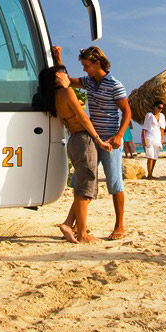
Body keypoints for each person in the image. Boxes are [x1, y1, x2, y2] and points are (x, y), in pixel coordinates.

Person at [52, 45, 132, 240]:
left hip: (110, 140)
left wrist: (120, 135)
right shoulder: (89, 82)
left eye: (87, 65)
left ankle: (119, 225)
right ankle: (73, 225)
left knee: (115, 184)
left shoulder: (115, 84)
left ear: (97, 63)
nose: (84, 69)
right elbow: (66, 81)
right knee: (84, 182)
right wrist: (58, 58)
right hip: (92, 138)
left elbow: (127, 112)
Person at [40, 65, 111, 243]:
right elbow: (82, 117)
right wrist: (98, 139)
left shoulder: (55, 96)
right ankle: (82, 234)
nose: (69, 76)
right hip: (83, 139)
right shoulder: (67, 92)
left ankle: (68, 224)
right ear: (58, 76)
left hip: (74, 140)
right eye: (66, 73)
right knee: (85, 188)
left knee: (83, 186)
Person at [141, 100, 166, 179]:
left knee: (155, 157)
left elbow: (162, 129)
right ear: (155, 107)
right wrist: (144, 139)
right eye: (159, 107)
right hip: (149, 137)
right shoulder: (149, 115)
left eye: (161, 108)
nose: (160, 109)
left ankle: (151, 173)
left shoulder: (162, 116)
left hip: (157, 138)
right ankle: (149, 175)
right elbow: (144, 128)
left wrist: (162, 139)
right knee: (150, 156)